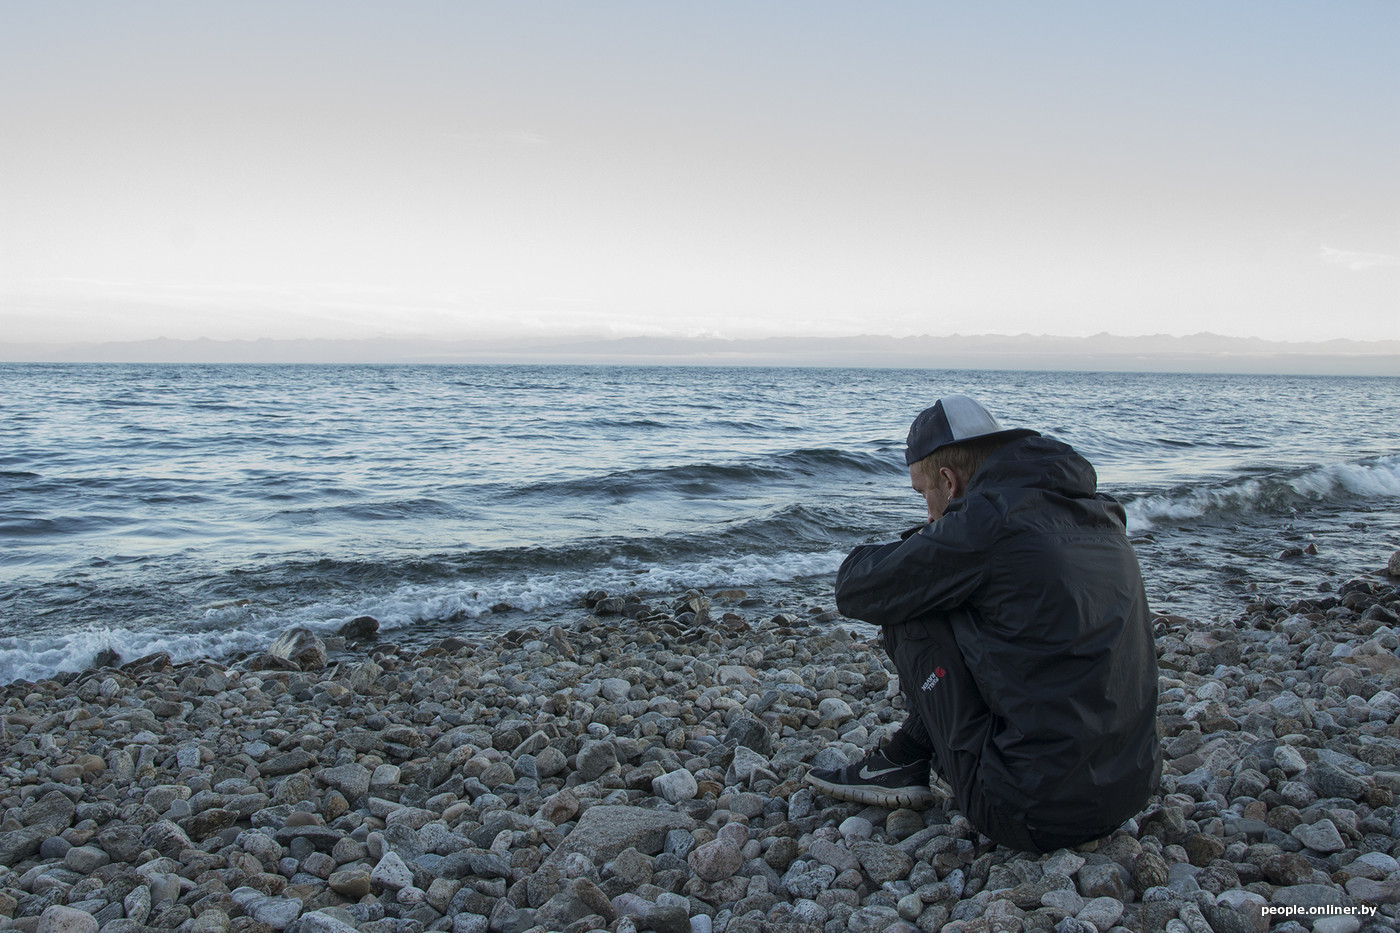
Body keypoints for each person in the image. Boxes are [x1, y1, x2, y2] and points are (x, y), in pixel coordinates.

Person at [805, 396, 1160, 853]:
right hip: (1131, 787)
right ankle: (910, 754)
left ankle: (906, 760)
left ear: (949, 482)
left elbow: (856, 587)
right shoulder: (1098, 510)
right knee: (964, 592)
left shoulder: (986, 524)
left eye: (922, 495)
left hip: (1027, 812)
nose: (926, 512)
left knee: (911, 601)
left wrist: (930, 542)